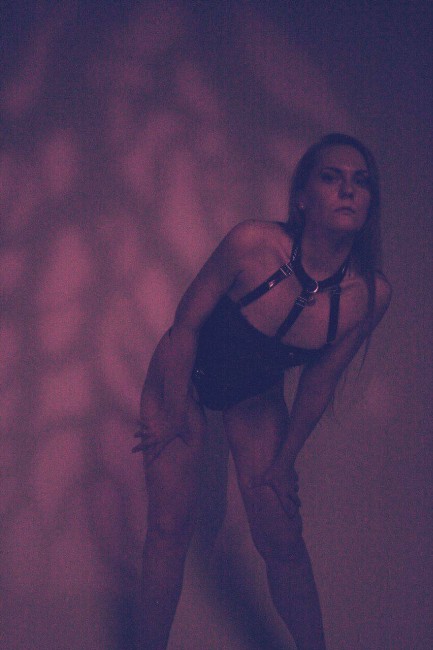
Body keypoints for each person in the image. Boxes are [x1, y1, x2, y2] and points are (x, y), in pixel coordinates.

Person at [133, 133, 392, 650]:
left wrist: (283, 462)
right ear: (302, 198)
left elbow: (319, 383)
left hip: (254, 396)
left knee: (282, 538)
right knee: (168, 530)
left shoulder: (369, 294)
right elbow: (185, 326)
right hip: (182, 373)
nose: (348, 190)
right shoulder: (253, 244)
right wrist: (172, 411)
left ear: (370, 202)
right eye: (331, 177)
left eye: (360, 182)